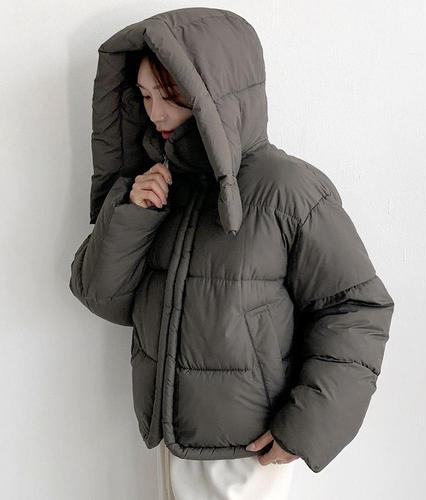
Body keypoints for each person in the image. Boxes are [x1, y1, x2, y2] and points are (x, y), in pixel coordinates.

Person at [69, 7, 395, 500]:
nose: (155, 114)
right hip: (171, 439)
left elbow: (356, 307)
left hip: (250, 452)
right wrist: (133, 213)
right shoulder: (160, 184)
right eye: (145, 96)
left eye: (170, 97)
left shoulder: (288, 189)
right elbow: (105, 299)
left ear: (215, 95)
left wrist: (305, 427)